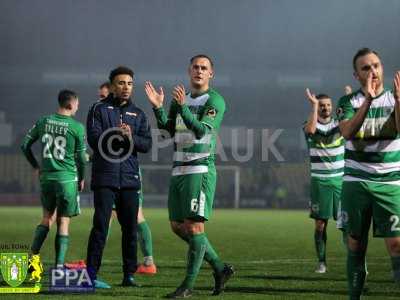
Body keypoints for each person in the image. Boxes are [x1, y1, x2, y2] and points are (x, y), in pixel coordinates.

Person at [145, 54, 234, 298]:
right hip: (179, 168)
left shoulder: (215, 100)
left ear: (211, 74)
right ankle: (219, 268)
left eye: (204, 68)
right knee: (177, 226)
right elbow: (166, 133)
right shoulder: (180, 99)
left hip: (200, 168)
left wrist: (182, 107)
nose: (199, 70)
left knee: (194, 228)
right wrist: (158, 107)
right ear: (189, 70)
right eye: (195, 67)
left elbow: (201, 132)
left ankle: (187, 287)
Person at [337, 48, 400, 299]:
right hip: (356, 182)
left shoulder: (394, 99)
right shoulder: (347, 103)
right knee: (355, 244)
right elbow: (347, 132)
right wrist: (368, 102)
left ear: (382, 67)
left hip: (390, 182)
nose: (372, 71)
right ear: (356, 75)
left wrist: (399, 101)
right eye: (366, 68)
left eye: (376, 65)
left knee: (396, 244)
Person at [86, 66, 152, 288]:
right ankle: (91, 275)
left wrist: (130, 136)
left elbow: (146, 145)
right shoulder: (98, 109)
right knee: (100, 226)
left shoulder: (139, 114)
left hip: (130, 178)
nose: (126, 87)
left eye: (130, 84)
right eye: (121, 83)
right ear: (112, 86)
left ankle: (129, 276)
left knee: (130, 229)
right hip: (105, 176)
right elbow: (94, 139)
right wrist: (117, 133)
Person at [21, 89, 86, 268]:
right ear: (71, 104)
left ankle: (31, 260)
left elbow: (24, 145)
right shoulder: (77, 127)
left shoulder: (43, 122)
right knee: (63, 222)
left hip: (47, 179)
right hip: (67, 180)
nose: (77, 109)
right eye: (77, 105)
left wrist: (36, 166)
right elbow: (81, 159)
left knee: (47, 218)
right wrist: (82, 178)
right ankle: (58, 268)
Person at [303, 89, 345, 273]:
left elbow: (353, 122)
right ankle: (321, 261)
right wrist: (313, 106)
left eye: (328, 105)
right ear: (316, 107)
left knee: (347, 224)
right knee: (320, 224)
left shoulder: (340, 125)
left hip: (340, 182)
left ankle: (354, 261)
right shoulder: (310, 125)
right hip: (320, 182)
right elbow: (311, 130)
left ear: (332, 107)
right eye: (321, 105)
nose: (325, 108)